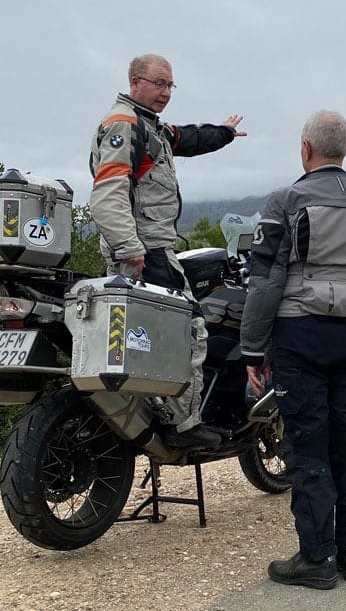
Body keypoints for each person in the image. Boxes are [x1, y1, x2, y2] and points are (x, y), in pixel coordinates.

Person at [241, 111, 346, 588]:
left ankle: (316, 558)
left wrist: (253, 349)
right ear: (344, 151)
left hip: (301, 337)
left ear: (305, 149)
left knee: (308, 446)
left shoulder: (285, 200)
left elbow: (266, 282)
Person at [88, 53, 246, 448]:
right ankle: (183, 426)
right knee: (189, 330)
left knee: (146, 338)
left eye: (170, 85)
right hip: (145, 248)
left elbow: (187, 138)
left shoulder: (148, 126)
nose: (165, 93)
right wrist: (130, 247)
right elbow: (107, 194)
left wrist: (224, 133)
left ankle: (152, 414)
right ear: (135, 81)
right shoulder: (124, 126)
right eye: (159, 84)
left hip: (146, 246)